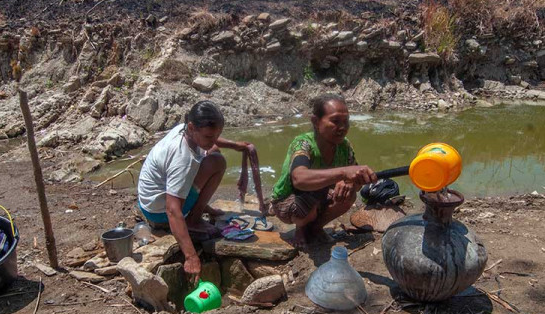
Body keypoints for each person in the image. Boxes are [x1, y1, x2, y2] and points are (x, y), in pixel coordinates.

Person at [137, 101, 252, 282]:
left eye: (217, 135)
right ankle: (194, 220)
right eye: (208, 136)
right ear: (192, 127)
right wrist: (191, 257)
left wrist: (234, 145)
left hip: (147, 201)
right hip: (158, 213)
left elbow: (211, 140)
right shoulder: (182, 158)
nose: (213, 140)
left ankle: (198, 209)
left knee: (213, 150)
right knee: (217, 162)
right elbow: (172, 210)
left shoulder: (184, 129)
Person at [271, 94, 377, 249]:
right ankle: (301, 228)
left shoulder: (344, 146)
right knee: (308, 201)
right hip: (288, 199)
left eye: (345, 121)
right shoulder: (303, 143)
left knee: (349, 195)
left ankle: (314, 228)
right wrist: (343, 173)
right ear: (315, 121)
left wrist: (349, 183)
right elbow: (299, 179)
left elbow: (356, 181)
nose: (342, 127)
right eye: (335, 121)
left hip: (319, 195)